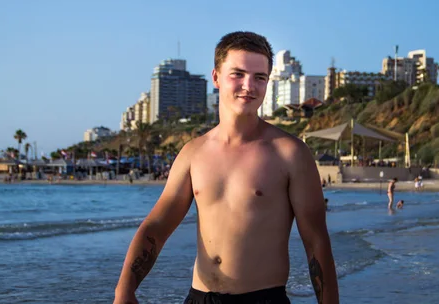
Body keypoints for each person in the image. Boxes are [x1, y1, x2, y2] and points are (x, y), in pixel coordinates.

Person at [114, 32, 339, 304]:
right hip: (199, 299)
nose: (249, 86)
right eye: (238, 74)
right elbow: (157, 226)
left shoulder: (289, 153)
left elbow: (315, 240)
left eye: (260, 77)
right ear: (216, 77)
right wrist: (124, 290)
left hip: (263, 299)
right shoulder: (193, 153)